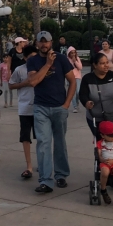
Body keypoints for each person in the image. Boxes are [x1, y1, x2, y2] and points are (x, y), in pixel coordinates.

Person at [27, 31, 77, 193]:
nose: (44, 45)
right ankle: (45, 180)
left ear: (51, 42)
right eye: (41, 42)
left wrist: (67, 103)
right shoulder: (33, 61)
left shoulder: (62, 59)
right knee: (43, 143)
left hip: (59, 107)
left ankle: (61, 175)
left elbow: (72, 81)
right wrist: (47, 64)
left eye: (46, 41)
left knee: (60, 143)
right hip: (41, 107)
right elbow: (33, 82)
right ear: (37, 43)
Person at [78, 53, 113, 136]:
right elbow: (82, 95)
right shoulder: (87, 78)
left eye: (107, 62)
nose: (106, 65)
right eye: (102, 63)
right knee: (100, 143)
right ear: (95, 65)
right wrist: (86, 102)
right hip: (95, 118)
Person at [8, 44, 38, 179]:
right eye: (30, 57)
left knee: (42, 138)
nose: (33, 60)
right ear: (25, 58)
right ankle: (29, 166)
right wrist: (25, 83)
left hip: (40, 108)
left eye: (35, 57)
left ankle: (42, 163)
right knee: (26, 137)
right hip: (25, 108)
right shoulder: (19, 70)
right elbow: (11, 85)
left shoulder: (42, 68)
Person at [65, 47, 83, 112]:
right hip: (70, 77)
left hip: (77, 77)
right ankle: (75, 106)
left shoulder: (77, 59)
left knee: (78, 91)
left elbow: (80, 67)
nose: (73, 54)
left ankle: (77, 103)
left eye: (74, 52)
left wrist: (75, 61)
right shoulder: (67, 60)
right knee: (73, 92)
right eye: (71, 53)